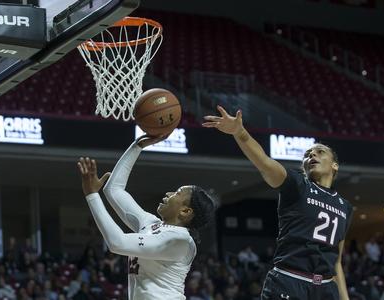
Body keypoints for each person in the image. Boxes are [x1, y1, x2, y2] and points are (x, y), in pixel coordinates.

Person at [203, 106, 353, 300]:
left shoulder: (345, 206)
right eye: (307, 154)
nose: (311, 156)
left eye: (319, 152)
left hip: (325, 288)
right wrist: (240, 132)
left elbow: (337, 261)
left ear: (335, 165)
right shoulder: (298, 185)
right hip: (289, 280)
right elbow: (264, 162)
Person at [77, 136, 219, 299]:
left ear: (185, 211)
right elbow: (114, 190)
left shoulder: (181, 242)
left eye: (177, 193)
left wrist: (92, 196)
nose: (169, 194)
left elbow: (117, 243)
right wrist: (137, 146)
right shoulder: (151, 224)